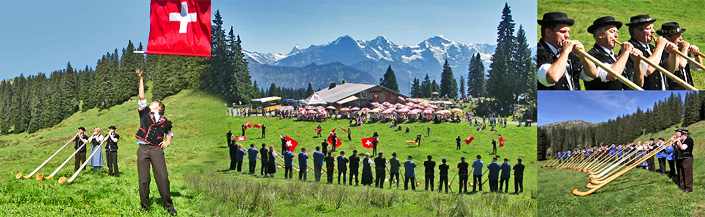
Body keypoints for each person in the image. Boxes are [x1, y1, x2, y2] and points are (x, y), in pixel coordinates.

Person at [134, 68, 177, 216]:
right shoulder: (145, 112)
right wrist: (141, 79)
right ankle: (145, 207)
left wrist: (168, 142)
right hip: (143, 149)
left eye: (154, 103)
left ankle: (169, 206)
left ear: (159, 108)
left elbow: (170, 133)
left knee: (163, 178)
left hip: (157, 150)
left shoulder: (165, 121)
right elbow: (141, 96)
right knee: (144, 179)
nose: (150, 103)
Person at [537, 12, 598, 90]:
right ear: (548, 32)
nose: (567, 36)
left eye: (568, 32)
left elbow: (593, 74)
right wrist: (565, 52)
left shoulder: (569, 53)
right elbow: (552, 77)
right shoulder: (538, 52)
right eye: (562, 32)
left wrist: (582, 56)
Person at [584, 16, 644, 90]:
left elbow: (638, 84)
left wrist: (637, 63)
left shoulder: (616, 57)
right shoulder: (591, 56)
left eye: (617, 32)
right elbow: (612, 75)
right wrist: (625, 52)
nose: (616, 36)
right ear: (600, 34)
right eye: (612, 32)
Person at [624, 14, 670, 90]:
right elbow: (648, 69)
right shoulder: (630, 48)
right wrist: (660, 47)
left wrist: (672, 53)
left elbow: (670, 69)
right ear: (637, 32)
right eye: (649, 28)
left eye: (653, 28)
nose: (653, 31)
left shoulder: (652, 48)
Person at [658, 22, 702, 90]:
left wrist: (696, 55)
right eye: (678, 36)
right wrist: (685, 49)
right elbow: (680, 65)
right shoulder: (662, 52)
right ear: (667, 37)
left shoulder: (681, 50)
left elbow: (697, 67)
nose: (681, 38)